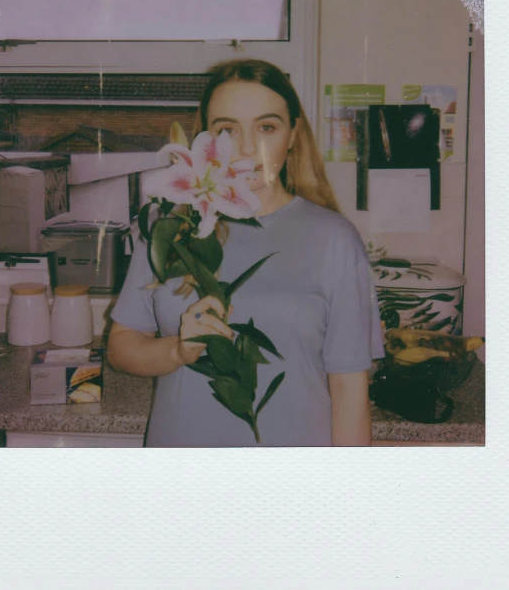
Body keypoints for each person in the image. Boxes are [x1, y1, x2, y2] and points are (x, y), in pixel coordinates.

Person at [108, 59, 385, 447]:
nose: (245, 148)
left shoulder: (335, 239)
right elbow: (121, 348)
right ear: (206, 139)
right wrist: (178, 350)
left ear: (293, 136)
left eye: (267, 127)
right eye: (226, 129)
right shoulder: (168, 227)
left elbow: (350, 389)